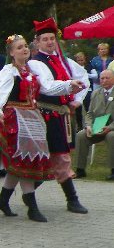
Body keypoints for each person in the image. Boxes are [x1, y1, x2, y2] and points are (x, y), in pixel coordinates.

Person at [0, 34, 66, 221]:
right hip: (16, 119)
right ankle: (32, 207)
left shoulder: (32, 69)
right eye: (19, 47)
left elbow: (47, 87)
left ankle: (3, 199)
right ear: (11, 53)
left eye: (25, 46)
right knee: (24, 162)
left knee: (23, 163)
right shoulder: (9, 72)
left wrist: (69, 86)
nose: (24, 49)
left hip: (32, 118)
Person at [29, 18, 90, 214]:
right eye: (45, 39)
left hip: (61, 116)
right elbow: (47, 87)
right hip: (43, 115)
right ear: (37, 42)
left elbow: (84, 78)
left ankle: (71, 199)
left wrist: (77, 100)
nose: (49, 42)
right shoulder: (35, 63)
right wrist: (69, 85)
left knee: (59, 157)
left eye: (52, 38)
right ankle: (17, 193)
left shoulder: (65, 62)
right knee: (46, 158)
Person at [75, 69, 114, 180]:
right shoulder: (96, 93)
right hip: (97, 126)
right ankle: (80, 169)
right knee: (81, 135)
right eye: (102, 78)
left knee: (112, 136)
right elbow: (90, 114)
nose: (104, 80)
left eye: (107, 78)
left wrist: (110, 127)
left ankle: (113, 170)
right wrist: (88, 126)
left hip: (112, 128)